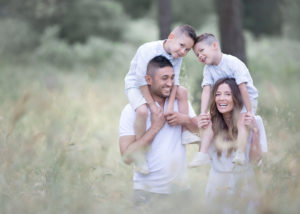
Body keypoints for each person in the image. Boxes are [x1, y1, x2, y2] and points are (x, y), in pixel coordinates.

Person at [119, 56, 199, 207]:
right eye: (164, 78)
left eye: (172, 78)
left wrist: (186, 120)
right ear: (148, 80)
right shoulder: (132, 110)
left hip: (181, 192)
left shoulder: (181, 103)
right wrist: (155, 127)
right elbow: (127, 158)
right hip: (146, 193)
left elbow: (201, 133)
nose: (170, 83)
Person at [124, 24, 200, 174]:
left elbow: (175, 82)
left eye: (187, 50)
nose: (183, 52)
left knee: (182, 91)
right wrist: (152, 106)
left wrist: (170, 106)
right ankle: (140, 156)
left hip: (160, 84)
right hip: (136, 85)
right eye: (182, 46)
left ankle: (185, 133)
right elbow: (140, 80)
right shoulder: (148, 49)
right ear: (171, 37)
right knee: (142, 111)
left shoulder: (177, 57)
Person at [197, 78, 267, 213]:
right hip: (217, 188)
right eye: (217, 94)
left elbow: (255, 161)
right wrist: (201, 131)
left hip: (244, 188)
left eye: (227, 94)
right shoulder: (210, 122)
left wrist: (255, 131)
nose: (221, 99)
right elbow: (204, 157)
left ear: (237, 98)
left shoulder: (254, 120)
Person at [190, 33, 259, 166]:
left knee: (242, 120)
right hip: (227, 101)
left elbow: (243, 88)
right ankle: (203, 154)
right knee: (209, 120)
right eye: (197, 55)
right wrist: (203, 113)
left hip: (246, 99)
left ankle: (240, 153)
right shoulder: (208, 69)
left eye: (201, 51)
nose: (200, 56)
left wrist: (249, 111)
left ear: (214, 45)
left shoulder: (232, 63)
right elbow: (206, 90)